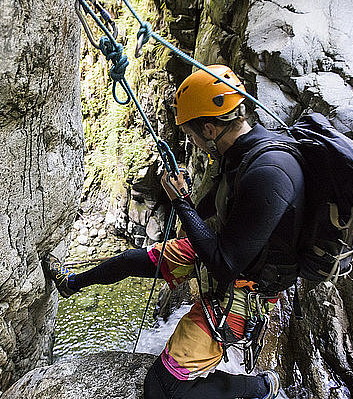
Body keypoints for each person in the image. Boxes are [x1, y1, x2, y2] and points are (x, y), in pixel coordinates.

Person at [42, 64, 305, 399]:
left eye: (190, 134)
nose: (189, 140)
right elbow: (205, 215)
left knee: (163, 388)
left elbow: (225, 264)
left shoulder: (267, 172)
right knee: (131, 260)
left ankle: (259, 387)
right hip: (226, 252)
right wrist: (185, 199)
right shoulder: (236, 154)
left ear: (210, 129)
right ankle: (72, 284)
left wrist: (180, 201)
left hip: (243, 291)